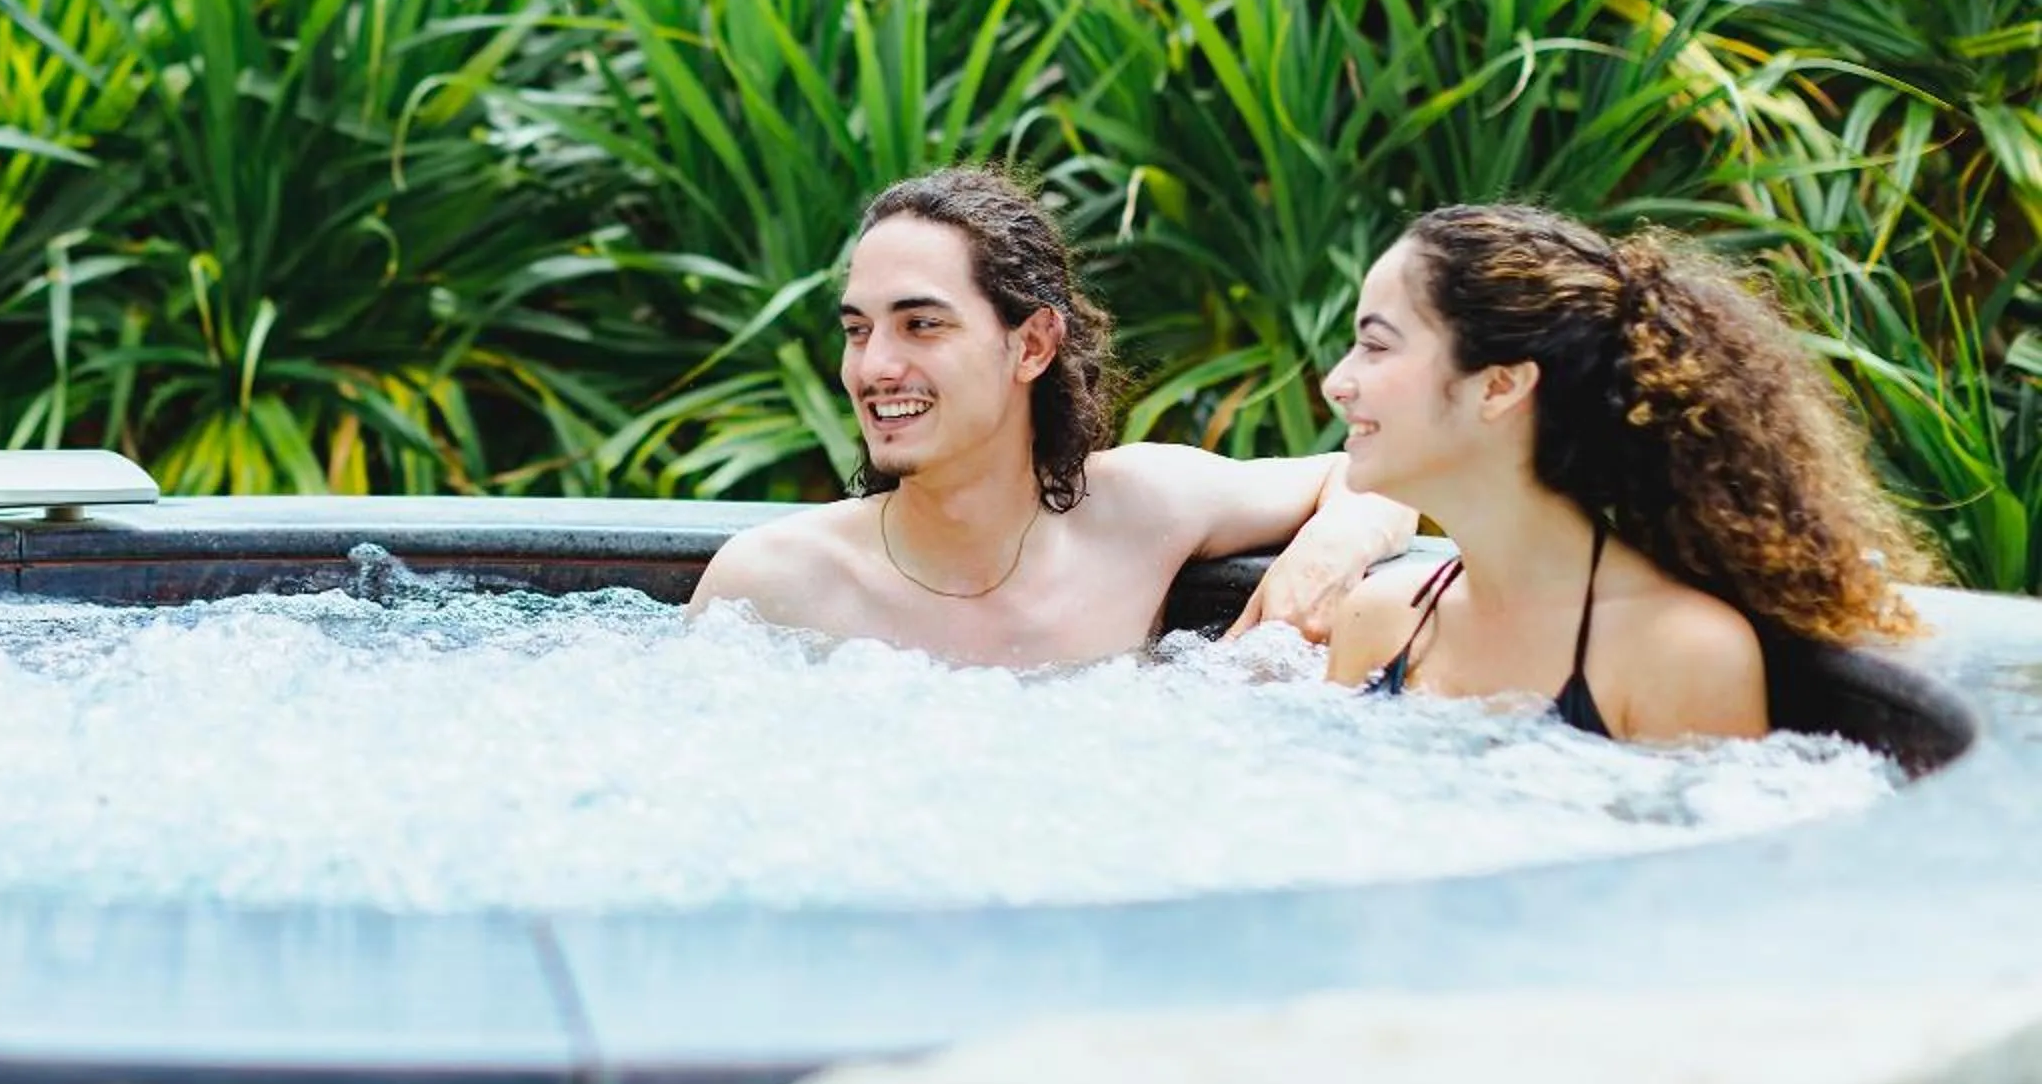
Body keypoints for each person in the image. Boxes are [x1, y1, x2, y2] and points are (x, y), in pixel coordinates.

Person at [688, 166, 1416, 669]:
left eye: (921, 326)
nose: (874, 366)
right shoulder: (774, 582)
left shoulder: (1138, 511)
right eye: (857, 329)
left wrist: (1321, 565)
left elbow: (1379, 478)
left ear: (1032, 343)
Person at [1321, 204, 1929, 742]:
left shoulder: (1680, 654)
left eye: (1376, 346)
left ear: (1499, 386)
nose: (1336, 384)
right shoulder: (1379, 621)